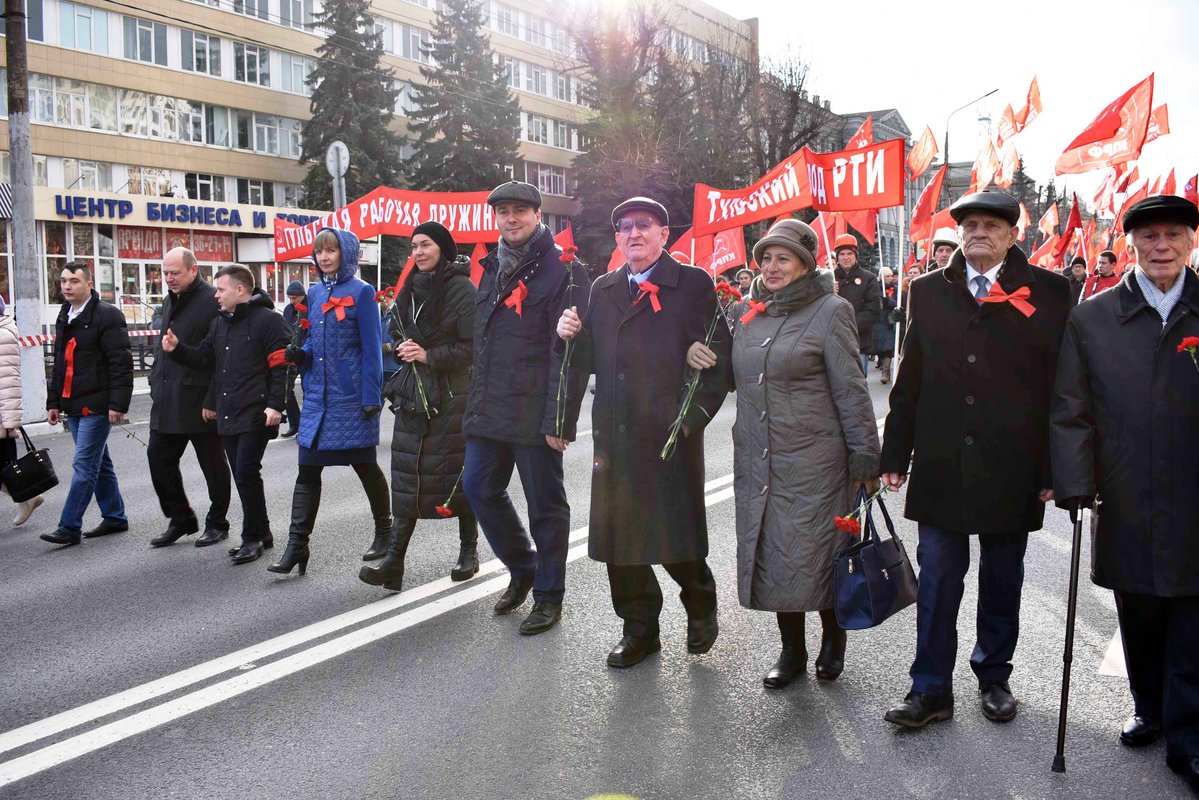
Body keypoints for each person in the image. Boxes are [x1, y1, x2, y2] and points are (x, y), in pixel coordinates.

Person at [879, 189, 1071, 729]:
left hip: (1013, 464)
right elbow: (909, 378)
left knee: (1002, 576)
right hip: (942, 460)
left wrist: (1056, 469)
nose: (978, 233)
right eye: (969, 226)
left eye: (991, 225)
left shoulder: (1052, 292)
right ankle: (931, 688)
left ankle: (994, 676)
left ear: (1013, 234)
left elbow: (1063, 388)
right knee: (938, 577)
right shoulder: (928, 290)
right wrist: (895, 450)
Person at [1051, 195, 1199, 792]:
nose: (1161, 246)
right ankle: (1150, 707)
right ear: (1131, 242)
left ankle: (1188, 739)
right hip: (1125, 488)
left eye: (1173, 234)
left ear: (1191, 241)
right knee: (1138, 606)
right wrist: (1076, 484)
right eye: (1149, 236)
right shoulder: (1093, 317)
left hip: (1193, 492)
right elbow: (1070, 409)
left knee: (1192, 612)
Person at [554, 196, 729, 668]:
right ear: (617, 238)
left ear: (664, 234)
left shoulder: (692, 284)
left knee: (671, 532)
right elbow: (582, 357)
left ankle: (700, 602)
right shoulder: (605, 288)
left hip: (667, 431)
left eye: (644, 225)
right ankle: (639, 630)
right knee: (620, 540)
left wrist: (689, 419)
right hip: (613, 433)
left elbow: (717, 359)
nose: (634, 233)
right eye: (625, 226)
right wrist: (567, 332)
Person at [716, 218, 879, 688]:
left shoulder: (831, 310)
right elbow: (733, 376)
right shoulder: (749, 314)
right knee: (773, 554)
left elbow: (851, 389)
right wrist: (696, 355)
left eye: (782, 258)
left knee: (821, 552)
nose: (770, 266)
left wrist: (865, 456)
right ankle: (791, 650)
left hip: (817, 460)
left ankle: (833, 638)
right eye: (765, 257)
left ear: (805, 264)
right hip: (759, 457)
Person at [462, 181, 590, 636]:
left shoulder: (565, 270)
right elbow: (484, 340)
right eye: (503, 212)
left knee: (546, 507)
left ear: (538, 215)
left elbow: (571, 353)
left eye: (519, 211)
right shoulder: (491, 265)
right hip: (491, 406)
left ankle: (549, 595)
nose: (510, 219)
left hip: (536, 408)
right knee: (477, 488)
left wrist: (560, 418)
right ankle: (523, 567)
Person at [361, 221, 480, 590]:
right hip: (414, 394)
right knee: (408, 476)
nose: (418, 252)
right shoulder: (410, 287)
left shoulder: (462, 289)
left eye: (425, 245)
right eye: (414, 246)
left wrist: (429, 353)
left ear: (442, 248)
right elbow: (397, 331)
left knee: (455, 475)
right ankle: (394, 562)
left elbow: (473, 346)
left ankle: (469, 550)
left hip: (452, 395)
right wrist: (404, 346)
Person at [269, 228, 388, 577]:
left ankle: (384, 530)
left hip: (351, 399)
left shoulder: (363, 293)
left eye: (331, 250)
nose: (323, 257)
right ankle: (297, 546)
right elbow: (314, 345)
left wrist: (371, 396)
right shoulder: (316, 292)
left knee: (365, 465)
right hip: (319, 399)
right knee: (307, 468)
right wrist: (299, 354)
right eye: (319, 251)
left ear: (346, 253)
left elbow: (372, 350)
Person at [162, 265, 290, 564]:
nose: (216, 295)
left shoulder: (269, 321)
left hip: (256, 412)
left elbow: (283, 367)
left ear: (240, 290)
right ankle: (264, 531)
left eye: (220, 289)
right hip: (228, 412)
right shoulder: (220, 323)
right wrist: (178, 349)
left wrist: (276, 406)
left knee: (246, 473)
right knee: (244, 476)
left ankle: (252, 538)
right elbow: (206, 359)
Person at [41, 263, 132, 547]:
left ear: (89, 284)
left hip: (97, 403)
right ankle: (115, 516)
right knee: (99, 463)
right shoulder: (65, 314)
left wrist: (118, 404)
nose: (67, 286)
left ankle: (69, 526)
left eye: (74, 281)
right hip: (73, 402)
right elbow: (60, 363)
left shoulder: (107, 316)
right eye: (64, 281)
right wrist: (54, 401)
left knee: (84, 465)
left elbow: (121, 363)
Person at [146, 247, 232, 548]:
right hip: (168, 397)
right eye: (165, 273)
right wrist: (155, 380)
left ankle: (217, 522)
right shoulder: (171, 299)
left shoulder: (213, 300)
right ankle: (181, 518)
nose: (168, 278)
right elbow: (166, 346)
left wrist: (212, 399)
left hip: (200, 401)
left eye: (175, 273)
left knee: (213, 464)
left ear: (193, 270)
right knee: (158, 458)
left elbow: (219, 357)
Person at [0, 296, 44, 526]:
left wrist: (9, 421)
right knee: (5, 468)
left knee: (5, 468)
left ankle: (27, 495)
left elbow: (8, 384)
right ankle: (27, 496)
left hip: (1, 416)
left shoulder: (3, 336)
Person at [831, 234, 880, 376]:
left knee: (857, 385)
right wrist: (826, 291)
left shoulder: (868, 279)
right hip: (832, 342)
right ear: (837, 257)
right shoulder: (828, 278)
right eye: (842, 254)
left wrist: (849, 327)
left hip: (859, 343)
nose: (846, 257)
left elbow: (873, 310)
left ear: (855, 256)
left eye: (849, 253)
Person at [281, 280, 309, 439]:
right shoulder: (288, 310)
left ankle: (306, 425)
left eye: (295, 298)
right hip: (291, 353)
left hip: (305, 354)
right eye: (290, 298)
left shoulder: (310, 307)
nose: (292, 302)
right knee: (286, 388)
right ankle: (295, 422)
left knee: (307, 390)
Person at [872, 266, 897, 384]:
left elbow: (899, 302)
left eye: (891, 275)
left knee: (889, 347)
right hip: (879, 321)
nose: (890, 278)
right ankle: (881, 362)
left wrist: (889, 302)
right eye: (887, 276)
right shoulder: (875, 289)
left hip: (891, 322)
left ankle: (886, 371)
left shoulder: (896, 289)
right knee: (880, 346)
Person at [377, 285, 402, 404]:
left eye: (386, 296)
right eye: (381, 297)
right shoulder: (381, 315)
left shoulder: (398, 313)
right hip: (382, 366)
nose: (383, 300)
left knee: (398, 403)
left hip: (395, 366)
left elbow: (404, 336)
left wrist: (389, 346)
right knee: (377, 402)